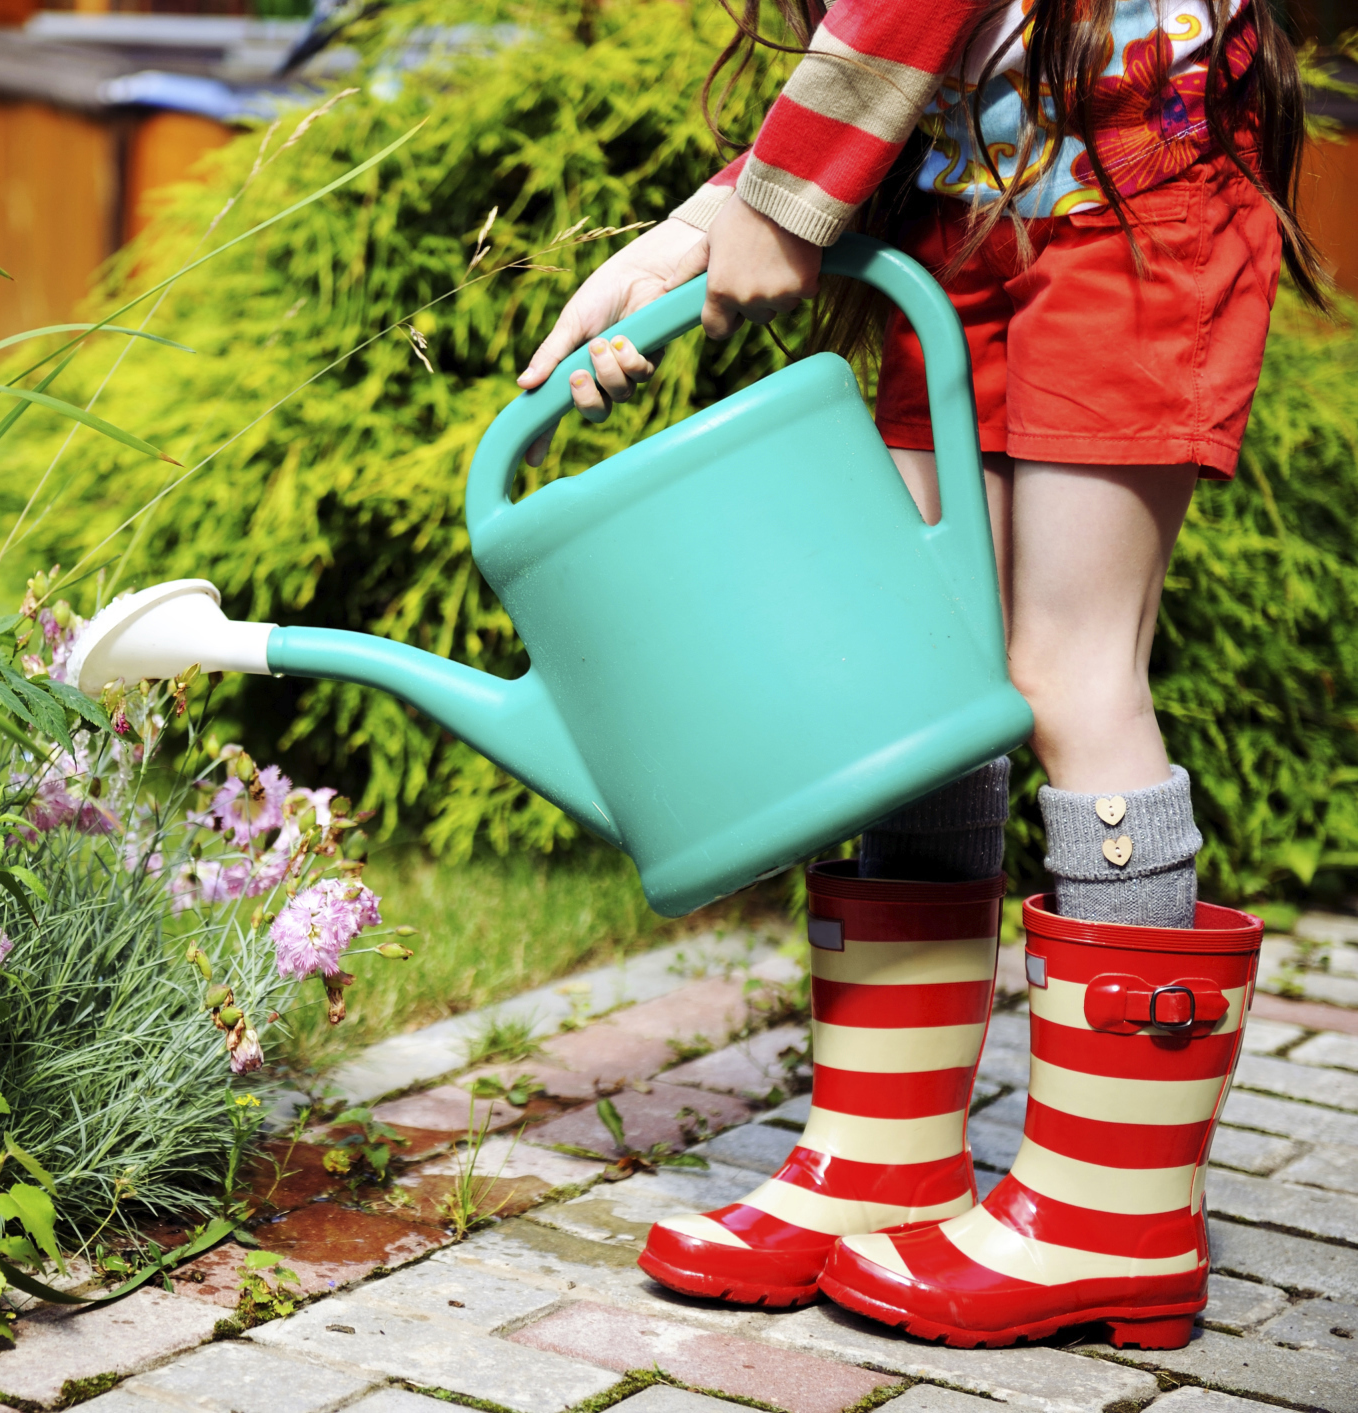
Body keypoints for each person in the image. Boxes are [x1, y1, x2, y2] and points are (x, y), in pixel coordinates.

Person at [516, 0, 1321, 1349]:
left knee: (1071, 670)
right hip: (984, 202)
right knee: (923, 672)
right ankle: (883, 1162)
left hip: (1135, 199)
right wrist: (703, 225)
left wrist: (766, 213)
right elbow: (892, 42)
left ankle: (1115, 1214)